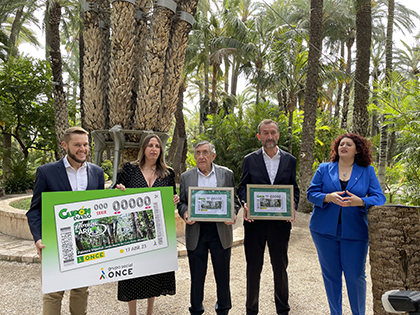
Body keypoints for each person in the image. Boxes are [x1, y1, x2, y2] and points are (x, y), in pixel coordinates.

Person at [26, 126, 105, 315]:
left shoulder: (97, 172)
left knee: (81, 290)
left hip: (86, 242)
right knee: (53, 293)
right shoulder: (46, 172)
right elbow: (35, 210)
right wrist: (38, 238)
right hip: (55, 241)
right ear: (65, 145)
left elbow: (101, 206)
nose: (83, 149)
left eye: (85, 144)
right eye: (77, 144)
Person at [307, 133, 386, 315]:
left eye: (348, 144)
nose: (343, 146)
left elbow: (379, 198)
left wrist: (360, 201)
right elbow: (311, 193)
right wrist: (328, 197)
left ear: (357, 149)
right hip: (323, 231)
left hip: (356, 232)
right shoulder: (324, 168)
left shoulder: (368, 171)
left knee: (355, 276)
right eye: (341, 144)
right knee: (331, 276)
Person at [237, 119, 300, 315]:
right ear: (259, 136)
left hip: (280, 225)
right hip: (255, 224)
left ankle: (283, 310)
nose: (270, 137)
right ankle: (251, 310)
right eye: (265, 133)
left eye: (273, 132)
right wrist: (246, 202)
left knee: (280, 268)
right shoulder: (250, 159)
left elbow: (294, 189)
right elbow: (242, 187)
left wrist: (293, 206)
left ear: (278, 135)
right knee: (253, 269)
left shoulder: (290, 160)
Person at [114, 134, 179, 315]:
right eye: (150, 145)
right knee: (132, 272)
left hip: (158, 231)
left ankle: (150, 311)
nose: (154, 149)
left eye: (157, 146)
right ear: (143, 149)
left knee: (154, 271)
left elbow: (171, 196)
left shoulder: (168, 173)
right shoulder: (130, 170)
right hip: (132, 230)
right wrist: (119, 190)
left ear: (161, 150)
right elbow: (114, 191)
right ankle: (132, 312)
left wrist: (174, 199)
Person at [178, 140, 240, 315]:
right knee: (197, 277)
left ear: (213, 155)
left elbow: (234, 201)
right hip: (196, 231)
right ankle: (196, 309)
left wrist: (233, 213)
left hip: (220, 231)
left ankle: (223, 309)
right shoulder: (186, 177)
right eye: (197, 153)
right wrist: (184, 213)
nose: (201, 156)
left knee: (222, 276)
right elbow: (182, 203)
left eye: (205, 152)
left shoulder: (226, 174)